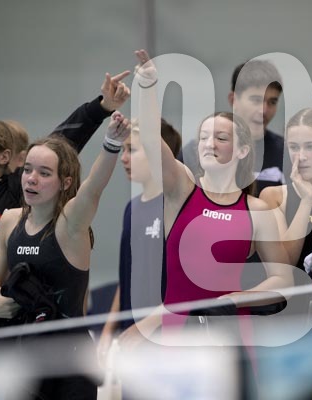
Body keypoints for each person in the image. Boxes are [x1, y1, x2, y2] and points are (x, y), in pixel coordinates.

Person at [0, 70, 130, 364]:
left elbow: (61, 141)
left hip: (6, 337)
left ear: (5, 156)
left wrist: (101, 107)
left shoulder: (17, 189)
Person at [120, 48, 292, 348]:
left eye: (221, 138)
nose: (209, 144)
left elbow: (283, 281)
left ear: (242, 151)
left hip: (231, 335)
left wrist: (235, 299)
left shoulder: (256, 209)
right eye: (203, 138)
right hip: (177, 335)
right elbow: (150, 139)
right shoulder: (182, 190)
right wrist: (147, 87)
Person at [0, 110, 131, 399]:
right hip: (24, 359)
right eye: (27, 170)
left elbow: (93, 188)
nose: (31, 179)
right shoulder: (10, 221)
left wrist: (112, 143)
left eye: (44, 173)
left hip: (70, 361)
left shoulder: (71, 224)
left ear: (65, 182)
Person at [258, 107, 312, 399]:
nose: (301, 156)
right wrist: (305, 203)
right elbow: (286, 267)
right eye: (293, 147)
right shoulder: (274, 197)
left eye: (310, 146)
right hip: (290, 324)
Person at [97, 117, 182, 360]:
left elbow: (185, 286)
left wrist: (145, 327)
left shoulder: (177, 209)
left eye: (131, 150)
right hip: (131, 337)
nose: (123, 158)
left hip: (166, 339)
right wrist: (108, 330)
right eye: (122, 150)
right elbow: (127, 276)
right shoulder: (131, 209)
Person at [178, 58, 285, 196]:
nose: (264, 110)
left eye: (272, 102)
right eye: (256, 100)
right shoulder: (197, 152)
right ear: (233, 100)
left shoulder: (287, 153)